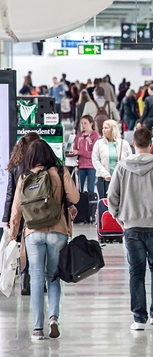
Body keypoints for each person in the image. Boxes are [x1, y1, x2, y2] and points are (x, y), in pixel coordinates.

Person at [107, 128, 153, 331]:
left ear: (133, 144)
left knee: (136, 272)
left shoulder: (121, 167)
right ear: (151, 144)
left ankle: (139, 318)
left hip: (131, 226)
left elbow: (111, 197)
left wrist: (119, 217)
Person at [9, 140, 80, 340]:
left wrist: (13, 235)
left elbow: (16, 209)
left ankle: (38, 328)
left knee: (37, 278)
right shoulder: (60, 171)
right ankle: (53, 319)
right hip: (58, 230)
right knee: (54, 276)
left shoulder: (25, 176)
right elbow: (75, 197)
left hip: (33, 232)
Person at [2, 132, 41, 295]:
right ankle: (36, 280)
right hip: (36, 210)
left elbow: (10, 193)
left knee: (21, 247)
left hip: (18, 211)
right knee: (36, 247)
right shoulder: (38, 164)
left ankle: (24, 278)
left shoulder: (15, 163)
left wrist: (6, 217)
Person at [92, 119, 132, 199]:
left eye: (106, 128)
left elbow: (130, 160)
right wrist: (105, 174)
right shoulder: (99, 143)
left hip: (120, 179)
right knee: (105, 204)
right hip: (104, 180)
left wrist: (122, 164)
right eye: (103, 128)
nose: (103, 130)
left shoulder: (124, 143)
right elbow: (95, 160)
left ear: (113, 129)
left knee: (121, 203)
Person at [71, 115, 99, 193]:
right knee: (79, 188)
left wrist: (79, 152)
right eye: (82, 123)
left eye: (85, 123)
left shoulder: (95, 135)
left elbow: (93, 153)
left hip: (91, 166)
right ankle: (81, 204)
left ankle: (91, 204)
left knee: (91, 188)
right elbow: (75, 149)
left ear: (91, 124)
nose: (83, 125)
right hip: (81, 165)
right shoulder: (79, 135)